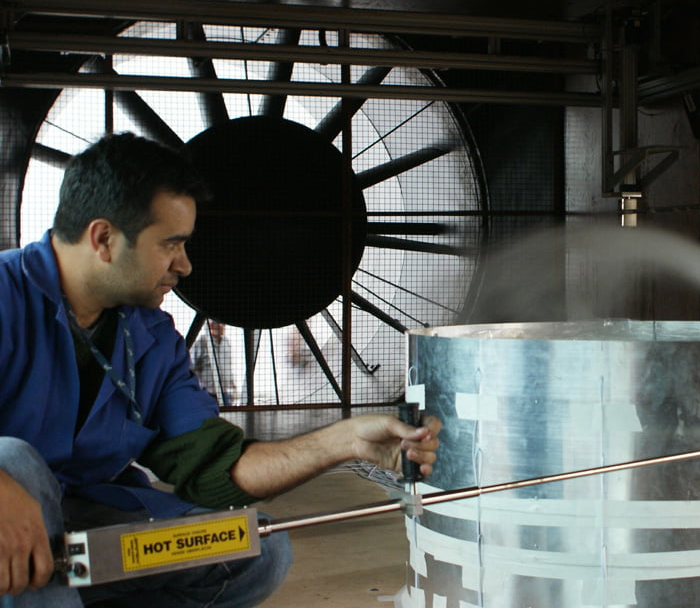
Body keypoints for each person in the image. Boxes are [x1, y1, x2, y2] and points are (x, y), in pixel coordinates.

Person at [0, 133, 441, 607]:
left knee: (254, 546)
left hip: (79, 528)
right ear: (104, 239)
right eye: (171, 244)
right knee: (14, 461)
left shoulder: (152, 339)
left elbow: (214, 465)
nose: (184, 265)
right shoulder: (6, 293)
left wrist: (345, 441)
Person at [191, 319, 237, 406]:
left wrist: (231, 381)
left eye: (223, 324)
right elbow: (192, 366)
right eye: (219, 324)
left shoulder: (226, 342)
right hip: (206, 392)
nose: (222, 326)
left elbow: (228, 364)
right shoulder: (201, 343)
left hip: (224, 391)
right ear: (211, 326)